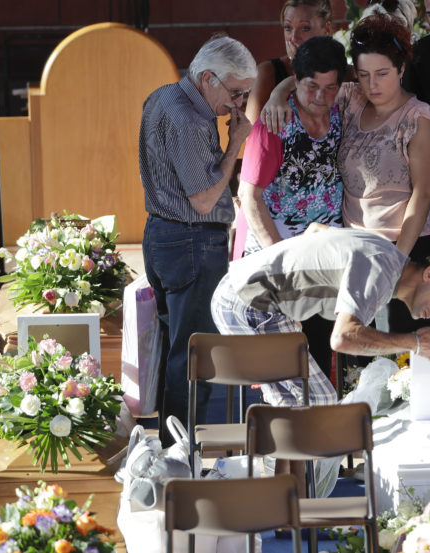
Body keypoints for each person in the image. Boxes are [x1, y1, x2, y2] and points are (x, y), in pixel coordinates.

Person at [263, 15, 430, 335]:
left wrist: (396, 259)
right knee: (357, 349)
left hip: (405, 245)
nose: (372, 84)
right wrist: (278, 93)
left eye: (382, 74)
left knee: (396, 350)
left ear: (402, 69)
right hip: (355, 248)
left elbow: (423, 194)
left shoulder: (418, 119)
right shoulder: (351, 98)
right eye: (363, 75)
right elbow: (312, 76)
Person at [139, 35, 256, 443]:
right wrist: (235, 144)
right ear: (208, 78)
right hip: (191, 240)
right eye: (236, 92)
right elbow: (205, 199)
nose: (238, 104)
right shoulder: (189, 119)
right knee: (194, 355)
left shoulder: (162, 95)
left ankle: (172, 446)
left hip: (163, 234)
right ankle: (181, 452)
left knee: (177, 349)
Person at [211, 227, 430, 406]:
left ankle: (288, 482)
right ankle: (279, 484)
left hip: (253, 296)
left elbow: (316, 229)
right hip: (248, 299)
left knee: (310, 403)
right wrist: (414, 343)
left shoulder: (387, 258)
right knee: (314, 401)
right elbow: (344, 338)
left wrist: (296, 299)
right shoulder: (381, 267)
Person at [234, 35, 347, 378]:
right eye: (312, 86)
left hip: (325, 258)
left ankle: (326, 427)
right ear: (296, 80)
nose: (320, 97)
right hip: (280, 260)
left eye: (330, 87)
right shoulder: (275, 124)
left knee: (322, 354)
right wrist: (283, 264)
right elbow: (250, 198)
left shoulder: (343, 111)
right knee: (281, 367)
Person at [244, 0, 334, 122]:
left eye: (305, 28)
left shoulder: (344, 74)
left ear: (327, 30)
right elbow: (249, 136)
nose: (294, 37)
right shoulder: (267, 73)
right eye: (288, 27)